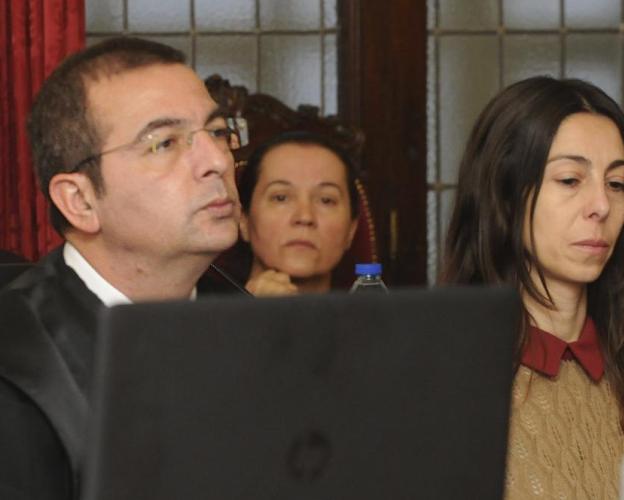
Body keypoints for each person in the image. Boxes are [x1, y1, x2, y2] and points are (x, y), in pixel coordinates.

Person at [441, 76, 624, 499]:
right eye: (571, 180)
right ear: (506, 196)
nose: (602, 205)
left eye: (616, 183)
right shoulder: (446, 377)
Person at [0, 37, 242, 500]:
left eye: (217, 132)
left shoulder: (254, 325)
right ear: (80, 200)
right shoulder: (16, 366)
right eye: (165, 143)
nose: (217, 161)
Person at [236, 131, 359, 296]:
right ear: (243, 220)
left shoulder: (375, 313)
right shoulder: (205, 310)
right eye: (281, 198)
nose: (305, 217)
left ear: (351, 229)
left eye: (326, 200)